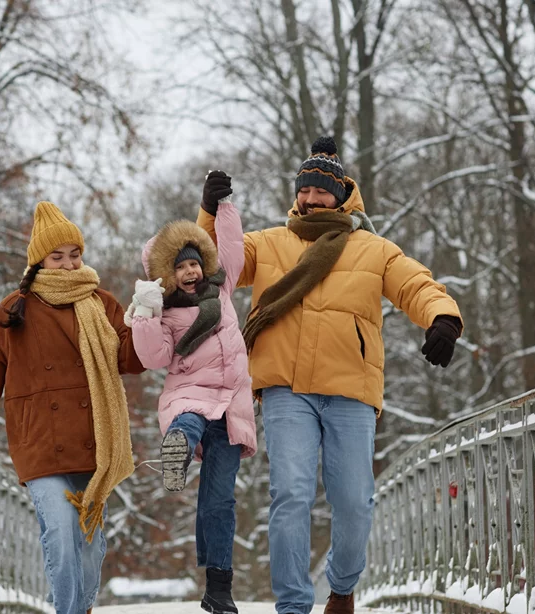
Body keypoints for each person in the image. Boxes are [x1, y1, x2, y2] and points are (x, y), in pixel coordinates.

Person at [197, 138, 464, 614]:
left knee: (355, 501)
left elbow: (416, 283)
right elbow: (213, 263)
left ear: (342, 196)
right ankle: (294, 606)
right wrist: (208, 212)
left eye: (322, 191)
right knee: (291, 495)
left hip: (350, 390)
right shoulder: (269, 243)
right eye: (306, 190)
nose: (312, 198)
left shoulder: (374, 249)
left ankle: (341, 588)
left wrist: (442, 317)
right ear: (296, 194)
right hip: (286, 389)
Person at [0, 201, 144, 614]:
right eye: (57, 257)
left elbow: (130, 360)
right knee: (60, 534)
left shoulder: (101, 304)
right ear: (40, 261)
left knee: (90, 547)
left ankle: (79, 608)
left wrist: (146, 318)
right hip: (40, 444)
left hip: (95, 445)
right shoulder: (16, 308)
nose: (67, 265)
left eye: (74, 255)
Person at [125, 171, 256, 614]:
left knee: (219, 499)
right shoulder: (165, 314)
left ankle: (218, 589)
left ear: (203, 263)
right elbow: (153, 358)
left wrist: (223, 206)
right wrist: (145, 312)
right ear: (167, 274)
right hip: (189, 392)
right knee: (188, 419)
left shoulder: (223, 291)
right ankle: (177, 447)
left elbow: (232, 247)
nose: (189, 272)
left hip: (233, 405)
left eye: (193, 263)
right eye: (179, 267)